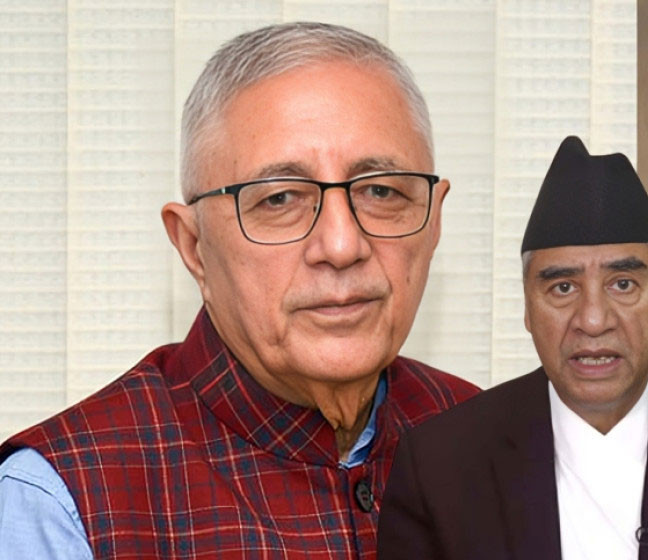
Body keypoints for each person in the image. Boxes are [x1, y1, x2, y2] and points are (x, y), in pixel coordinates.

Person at [0, 22, 479, 558]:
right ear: (193, 246)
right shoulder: (63, 502)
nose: (343, 245)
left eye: (382, 192)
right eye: (278, 199)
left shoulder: (502, 445)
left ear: (434, 222)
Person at [377, 136, 648, 560]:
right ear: (527, 306)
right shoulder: (440, 466)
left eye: (623, 284)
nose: (593, 320)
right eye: (563, 288)